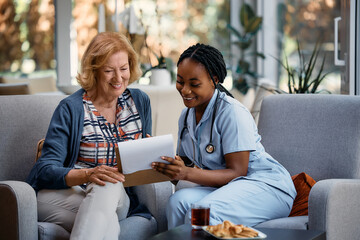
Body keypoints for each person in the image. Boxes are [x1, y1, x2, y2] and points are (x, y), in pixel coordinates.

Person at [151, 43, 297, 229]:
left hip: (266, 187)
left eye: (194, 84)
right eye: (180, 81)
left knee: (202, 213)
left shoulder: (232, 112)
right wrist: (169, 166)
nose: (185, 90)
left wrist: (186, 172)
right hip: (228, 188)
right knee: (177, 202)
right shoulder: (186, 116)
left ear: (214, 80)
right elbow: (187, 164)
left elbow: (238, 172)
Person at [26, 32, 152, 239]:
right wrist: (88, 174)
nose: (119, 78)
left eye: (123, 68)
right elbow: (44, 170)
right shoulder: (71, 108)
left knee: (108, 182)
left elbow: (141, 162)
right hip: (68, 194)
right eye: (109, 70)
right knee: (104, 220)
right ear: (94, 71)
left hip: (119, 196)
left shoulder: (139, 102)